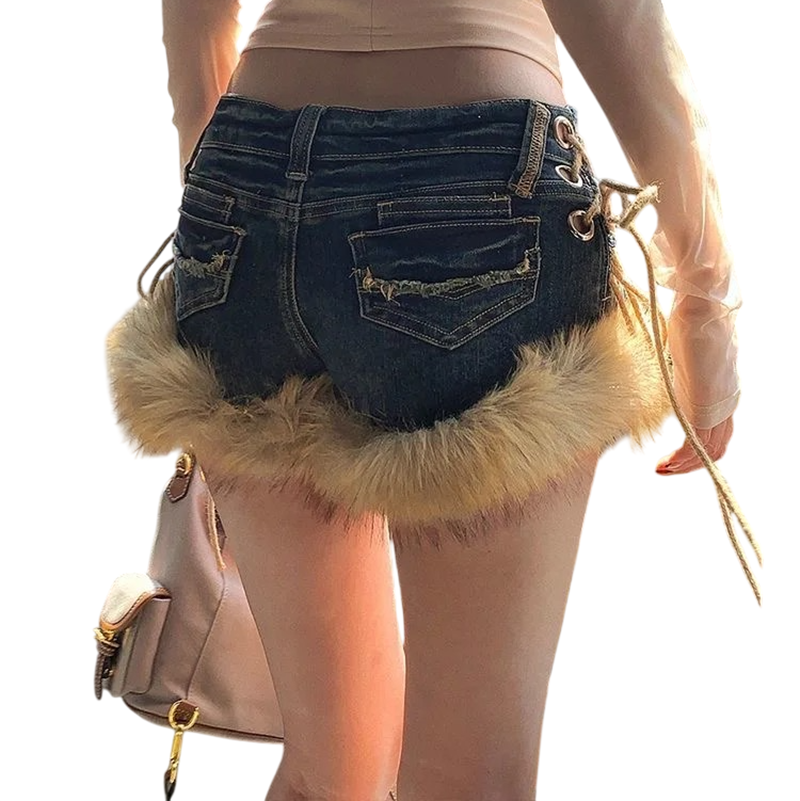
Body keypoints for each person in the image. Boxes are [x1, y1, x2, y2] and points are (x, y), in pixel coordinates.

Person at [106, 1, 762, 799]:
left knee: (327, 770)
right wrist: (704, 297)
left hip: (244, 180)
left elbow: (198, 15)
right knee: (468, 777)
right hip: (475, 184)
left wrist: (225, 204)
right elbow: (614, 18)